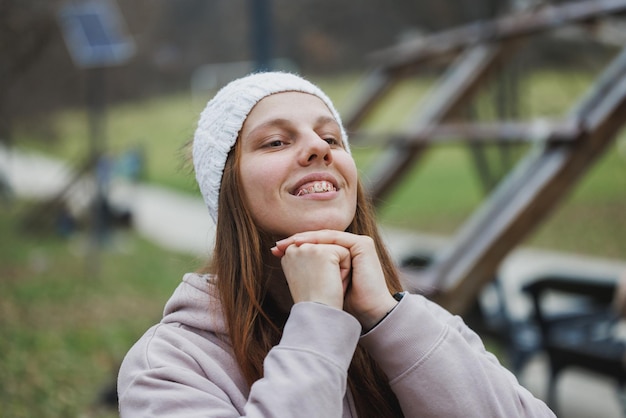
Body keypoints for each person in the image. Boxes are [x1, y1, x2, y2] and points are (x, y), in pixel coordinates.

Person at [117, 71, 555, 417]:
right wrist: (319, 322)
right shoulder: (170, 366)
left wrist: (389, 320)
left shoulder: (419, 320)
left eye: (331, 138)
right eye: (275, 141)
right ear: (226, 189)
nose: (317, 148)